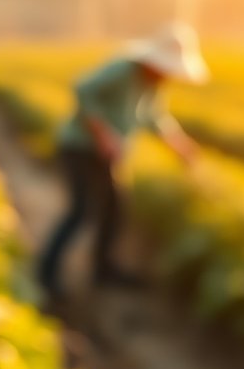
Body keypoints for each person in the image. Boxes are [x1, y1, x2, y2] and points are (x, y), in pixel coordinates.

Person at [36, 22, 208, 302]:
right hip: (78, 148)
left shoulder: (152, 83)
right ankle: (46, 273)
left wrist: (177, 143)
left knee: (115, 208)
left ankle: (104, 269)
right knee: (81, 210)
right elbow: (83, 90)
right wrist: (103, 135)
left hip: (108, 153)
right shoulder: (125, 68)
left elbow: (154, 116)